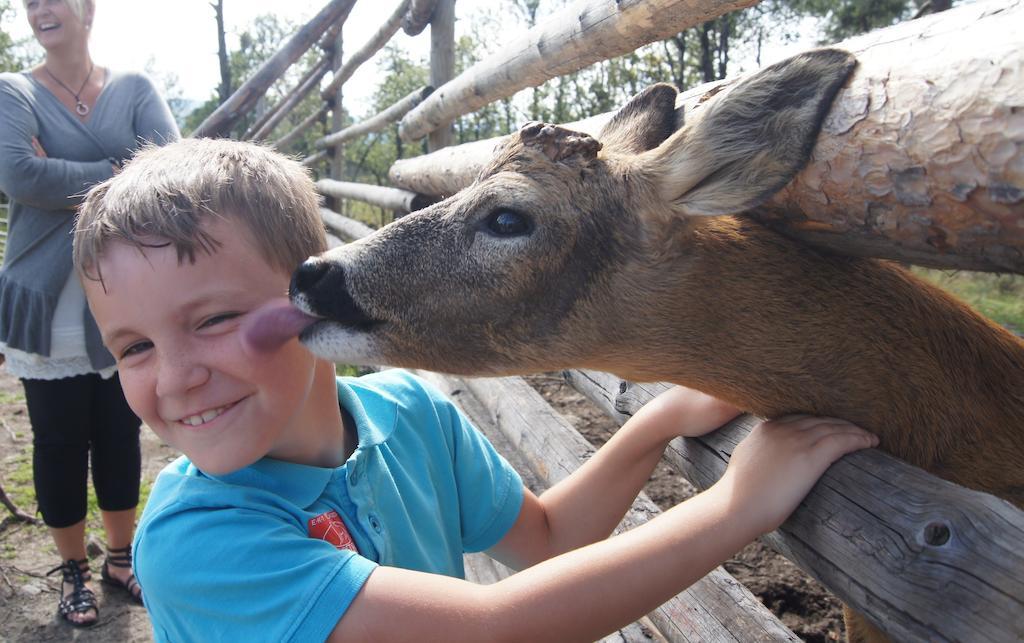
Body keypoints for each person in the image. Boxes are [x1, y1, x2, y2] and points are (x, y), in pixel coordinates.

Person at [73, 138, 878, 642]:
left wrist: (659, 418)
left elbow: (552, 538)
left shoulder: (411, 415)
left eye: (212, 320)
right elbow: (497, 628)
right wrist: (738, 505)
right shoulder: (195, 543)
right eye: (135, 346)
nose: (174, 377)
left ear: (308, 290)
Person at [0, 0, 179, 627]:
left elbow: (164, 168)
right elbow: (19, 176)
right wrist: (115, 169)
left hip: (123, 304)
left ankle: (121, 558)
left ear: (87, 8)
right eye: (29, 3)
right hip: (43, 307)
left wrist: (65, 171)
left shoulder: (133, 87)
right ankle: (74, 569)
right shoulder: (13, 90)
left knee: (119, 434)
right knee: (56, 442)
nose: (40, 9)